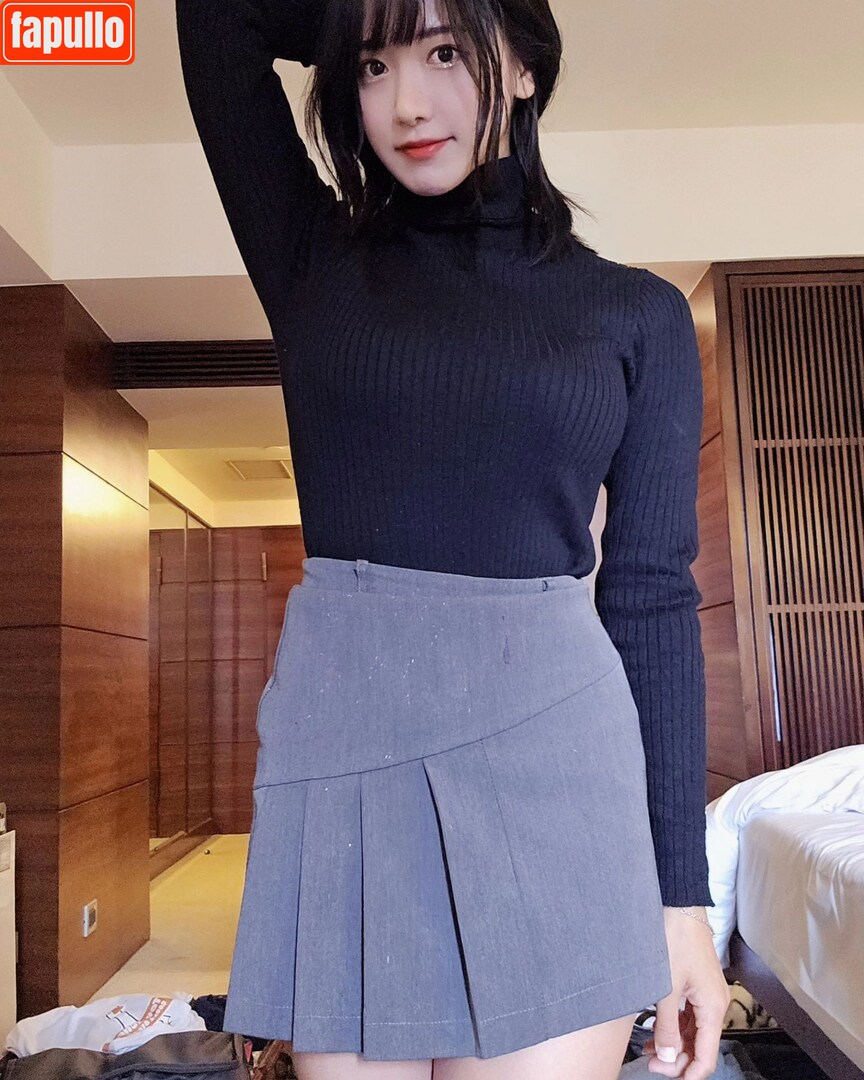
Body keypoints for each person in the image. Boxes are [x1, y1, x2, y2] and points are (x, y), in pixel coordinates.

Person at [174, 0, 732, 1077]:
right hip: (345, 742)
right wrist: (374, 10)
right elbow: (218, 18)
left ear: (523, 65)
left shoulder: (638, 315)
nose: (407, 103)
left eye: (444, 52)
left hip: (557, 755)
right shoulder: (313, 259)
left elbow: (653, 602)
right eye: (373, 67)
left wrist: (682, 903)